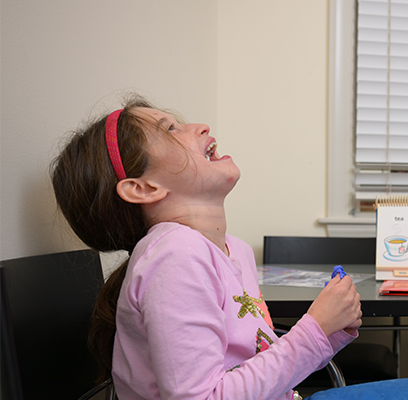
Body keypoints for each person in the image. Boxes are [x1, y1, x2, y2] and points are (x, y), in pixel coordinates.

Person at [51, 96, 362, 400]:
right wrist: (315, 330)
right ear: (143, 188)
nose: (200, 127)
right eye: (169, 130)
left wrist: (330, 329)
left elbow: (254, 364)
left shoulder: (233, 250)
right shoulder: (174, 255)